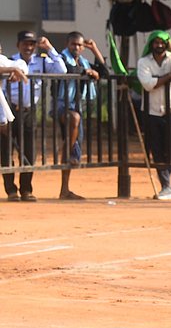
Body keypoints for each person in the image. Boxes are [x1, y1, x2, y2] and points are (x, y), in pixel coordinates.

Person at [2, 31, 65, 201]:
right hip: (9, 110)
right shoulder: (9, 60)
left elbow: (62, 70)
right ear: (18, 45)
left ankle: (26, 189)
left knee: (29, 152)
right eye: (25, 43)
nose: (28, 47)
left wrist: (50, 48)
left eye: (31, 44)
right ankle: (11, 190)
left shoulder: (42, 61)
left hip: (29, 111)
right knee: (6, 151)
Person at [55, 31, 107, 200]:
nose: (76, 48)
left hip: (78, 107)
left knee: (73, 144)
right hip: (63, 106)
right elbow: (68, 70)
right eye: (73, 44)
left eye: (79, 45)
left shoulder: (84, 60)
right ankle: (67, 152)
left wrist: (94, 49)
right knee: (74, 121)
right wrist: (88, 72)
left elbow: (104, 72)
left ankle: (64, 189)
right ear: (67, 44)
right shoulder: (62, 58)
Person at [136, 30, 171, 200]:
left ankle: (166, 181)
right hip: (152, 111)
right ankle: (166, 186)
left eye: (162, 42)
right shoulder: (144, 61)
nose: (159, 45)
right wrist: (167, 77)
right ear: (151, 44)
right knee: (156, 149)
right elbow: (148, 84)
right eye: (156, 42)